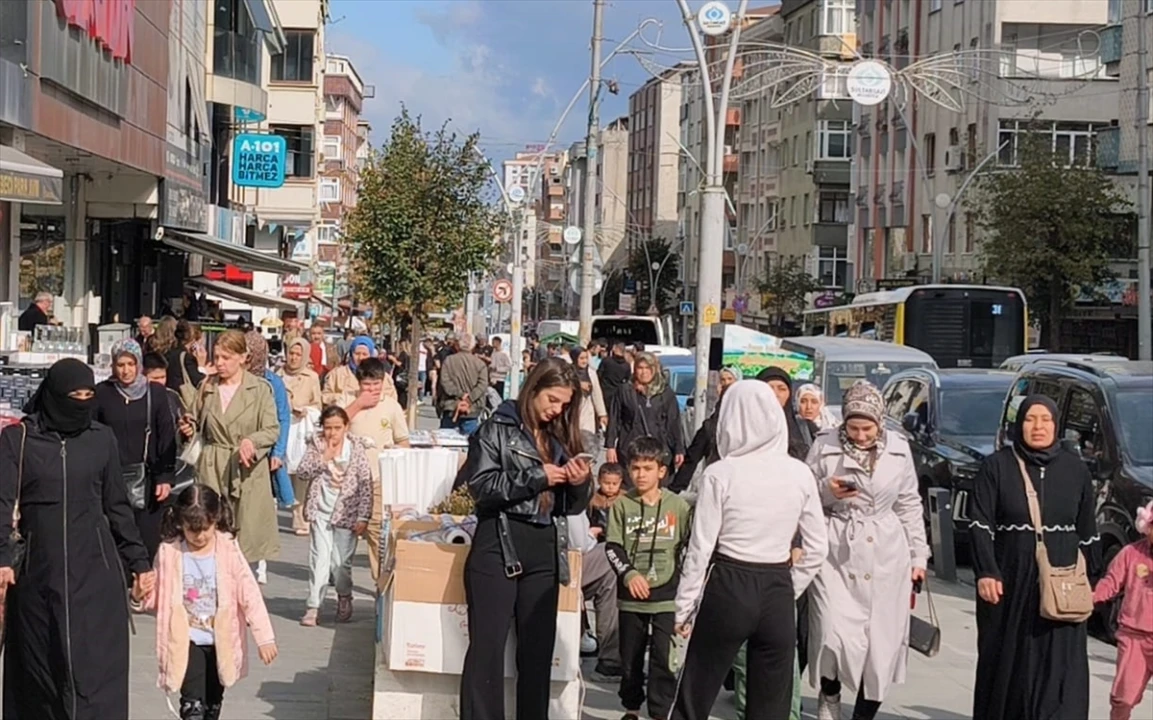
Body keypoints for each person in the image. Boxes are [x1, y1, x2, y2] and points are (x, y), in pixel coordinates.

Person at [0, 358, 155, 719]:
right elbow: (2, 502)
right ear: (54, 395)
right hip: (38, 576)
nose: (81, 403)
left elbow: (117, 505)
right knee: (41, 677)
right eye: (74, 395)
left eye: (89, 395)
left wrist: (139, 561)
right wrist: (3, 558)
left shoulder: (101, 439)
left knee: (95, 677)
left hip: (95, 577)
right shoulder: (18, 440)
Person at [670, 380, 827, 720]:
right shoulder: (800, 473)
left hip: (729, 581)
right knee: (771, 706)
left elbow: (700, 548)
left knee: (694, 696)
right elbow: (817, 547)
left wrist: (684, 607)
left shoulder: (720, 473)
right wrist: (790, 586)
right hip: (777, 584)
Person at [456, 357, 592, 720]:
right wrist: (537, 476)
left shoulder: (560, 434)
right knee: (487, 650)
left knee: (536, 655)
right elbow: (482, 487)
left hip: (545, 547)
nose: (556, 409)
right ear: (533, 389)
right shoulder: (496, 428)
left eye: (564, 404)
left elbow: (571, 507)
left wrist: (579, 483)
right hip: (498, 543)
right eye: (552, 400)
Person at [969, 394, 1099, 720]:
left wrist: (1091, 582)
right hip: (1009, 582)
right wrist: (987, 571)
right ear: (1019, 423)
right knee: (1006, 661)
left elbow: (1088, 531)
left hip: (1061, 585)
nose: (1038, 427)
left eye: (1046, 420)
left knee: (1059, 667)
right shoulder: (997, 466)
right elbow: (979, 523)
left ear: (1057, 425)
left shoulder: (1075, 470)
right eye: (1030, 419)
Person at [806, 380, 929, 720]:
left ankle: (864, 712)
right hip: (836, 548)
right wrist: (827, 491)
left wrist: (919, 556)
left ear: (880, 423)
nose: (860, 435)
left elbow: (908, 505)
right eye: (853, 427)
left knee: (880, 644)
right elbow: (802, 494)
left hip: (886, 552)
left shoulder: (899, 450)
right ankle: (829, 693)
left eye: (867, 428)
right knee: (831, 630)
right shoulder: (824, 445)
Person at [133, 485, 278, 720]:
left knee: (212, 702)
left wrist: (265, 637)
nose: (199, 536)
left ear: (216, 520)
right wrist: (139, 594)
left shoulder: (227, 548)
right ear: (181, 523)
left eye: (205, 529)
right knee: (192, 705)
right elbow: (156, 598)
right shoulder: (169, 552)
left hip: (220, 638)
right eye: (193, 531)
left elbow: (248, 593)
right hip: (186, 637)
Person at [605, 436, 693, 720]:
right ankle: (631, 708)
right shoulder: (621, 505)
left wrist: (690, 604)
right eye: (635, 468)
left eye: (647, 468)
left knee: (664, 660)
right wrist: (629, 574)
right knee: (630, 659)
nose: (640, 474)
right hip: (632, 598)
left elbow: (691, 548)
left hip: (667, 597)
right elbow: (613, 546)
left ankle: (660, 712)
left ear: (661, 471)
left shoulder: (678, 506)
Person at [178, 329, 281, 570]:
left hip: (245, 471)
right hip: (212, 466)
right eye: (217, 357)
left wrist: (252, 442)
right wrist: (187, 428)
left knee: (243, 546)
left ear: (243, 357)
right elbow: (194, 420)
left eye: (226, 358)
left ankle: (241, 598)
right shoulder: (207, 386)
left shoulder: (260, 389)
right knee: (208, 534)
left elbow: (272, 428)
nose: (219, 364)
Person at [94, 339, 178, 566]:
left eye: (131, 364)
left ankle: (142, 582)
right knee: (115, 533)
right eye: (120, 364)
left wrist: (165, 477)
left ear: (139, 364)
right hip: (112, 476)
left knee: (146, 536)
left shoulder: (155, 393)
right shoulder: (103, 393)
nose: (126, 370)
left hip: (148, 477)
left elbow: (166, 435)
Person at [294, 405, 373, 626]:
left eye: (337, 428)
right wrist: (323, 458)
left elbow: (365, 485)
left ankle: (344, 595)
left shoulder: (356, 449)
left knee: (340, 564)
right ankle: (313, 606)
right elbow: (303, 472)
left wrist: (363, 517)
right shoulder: (316, 445)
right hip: (321, 511)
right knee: (319, 559)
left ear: (346, 427)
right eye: (328, 428)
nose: (332, 433)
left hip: (346, 514)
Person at [343, 357, 411, 582]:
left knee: (376, 533)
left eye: (376, 384)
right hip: (348, 479)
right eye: (367, 385)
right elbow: (333, 428)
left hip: (379, 478)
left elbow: (403, 440)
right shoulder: (347, 400)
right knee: (344, 537)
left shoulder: (391, 406)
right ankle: (342, 589)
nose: (372, 390)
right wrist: (358, 404)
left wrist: (395, 450)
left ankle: (379, 584)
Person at [1093, 499, 1153, 720]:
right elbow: (1110, 583)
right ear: (1146, 526)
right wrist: (1087, 599)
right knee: (1123, 698)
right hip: (1133, 635)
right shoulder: (1130, 553)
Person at [567, 483, 623, 679]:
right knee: (612, 556)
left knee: (609, 576)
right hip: (563, 565)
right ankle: (610, 658)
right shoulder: (570, 498)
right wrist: (591, 535)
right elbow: (578, 544)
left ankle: (589, 638)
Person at [605, 351, 684, 480]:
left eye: (648, 368)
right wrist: (610, 446)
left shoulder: (665, 392)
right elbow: (614, 419)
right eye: (640, 368)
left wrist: (679, 449)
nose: (643, 372)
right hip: (630, 448)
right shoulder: (625, 390)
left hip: (658, 448)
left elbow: (674, 422)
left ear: (655, 369)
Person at [670, 367, 741, 493]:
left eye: (730, 379)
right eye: (722, 380)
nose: (726, 383)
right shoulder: (711, 424)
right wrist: (674, 491)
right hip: (717, 483)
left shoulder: (746, 415)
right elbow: (692, 458)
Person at [280, 337, 323, 535]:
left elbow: (318, 405)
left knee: (301, 475)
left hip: (301, 430)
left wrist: (306, 410)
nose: (294, 358)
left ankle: (299, 518)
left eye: (298, 354)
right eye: (291, 353)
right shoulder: (277, 375)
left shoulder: (311, 377)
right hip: (282, 427)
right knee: (281, 471)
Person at [247, 331, 293, 513]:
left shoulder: (274, 383)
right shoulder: (231, 379)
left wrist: (278, 453)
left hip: (264, 450)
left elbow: (283, 417)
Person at [756, 366, 818, 461]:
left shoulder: (805, 428)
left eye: (782, 389)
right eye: (769, 388)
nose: (775, 394)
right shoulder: (745, 427)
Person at [437, 334, 489, 436]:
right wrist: (469, 398)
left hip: (451, 406)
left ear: (457, 345)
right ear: (473, 346)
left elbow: (445, 382)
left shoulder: (449, 361)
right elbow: (482, 385)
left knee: (446, 441)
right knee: (471, 443)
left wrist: (460, 395)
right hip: (472, 409)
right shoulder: (480, 364)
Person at [324, 335, 395, 406]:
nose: (360, 358)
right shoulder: (337, 374)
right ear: (351, 354)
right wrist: (345, 398)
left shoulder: (382, 376)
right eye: (357, 354)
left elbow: (391, 399)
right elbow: (325, 396)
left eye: (364, 354)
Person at [571, 345, 608, 452]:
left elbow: (597, 393)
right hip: (573, 410)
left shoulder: (591, 373)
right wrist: (578, 385)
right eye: (581, 358)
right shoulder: (568, 372)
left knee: (587, 441)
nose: (584, 361)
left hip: (587, 411)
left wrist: (602, 414)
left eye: (586, 358)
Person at [598, 341, 632, 409]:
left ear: (615, 349)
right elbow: (627, 379)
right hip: (618, 394)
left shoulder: (606, 361)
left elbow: (599, 375)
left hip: (604, 393)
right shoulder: (626, 365)